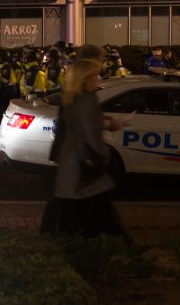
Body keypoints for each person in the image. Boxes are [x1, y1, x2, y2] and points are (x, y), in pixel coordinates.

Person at [40, 58, 129, 240]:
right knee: (104, 219)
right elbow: (90, 134)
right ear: (85, 78)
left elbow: (81, 123)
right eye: (95, 76)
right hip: (84, 167)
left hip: (68, 164)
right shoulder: (87, 99)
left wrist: (105, 122)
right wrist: (103, 155)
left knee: (71, 216)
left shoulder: (70, 98)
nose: (98, 79)